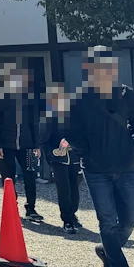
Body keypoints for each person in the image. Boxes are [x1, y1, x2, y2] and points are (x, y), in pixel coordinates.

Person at [68, 47, 134, 267]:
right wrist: (87, 153)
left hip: (126, 167)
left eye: (112, 66)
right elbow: (71, 131)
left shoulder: (126, 94)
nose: (109, 70)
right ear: (90, 69)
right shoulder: (80, 98)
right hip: (96, 170)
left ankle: (106, 251)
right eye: (103, 66)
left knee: (129, 222)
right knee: (107, 222)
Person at [0, 64, 44, 222]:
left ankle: (31, 208)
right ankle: (11, 208)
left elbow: (34, 122)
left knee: (30, 174)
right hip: (5, 146)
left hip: (26, 146)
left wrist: (36, 145)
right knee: (8, 177)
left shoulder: (28, 98)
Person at [43, 83, 81, 234]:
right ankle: (67, 220)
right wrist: (53, 152)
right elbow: (44, 141)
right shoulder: (49, 118)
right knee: (64, 189)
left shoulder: (76, 116)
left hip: (75, 158)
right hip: (59, 160)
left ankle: (72, 213)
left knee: (75, 190)